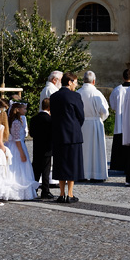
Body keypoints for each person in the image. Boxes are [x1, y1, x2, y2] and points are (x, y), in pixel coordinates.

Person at [50, 72, 86, 203]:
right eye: (75, 82)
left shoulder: (54, 96)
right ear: (69, 82)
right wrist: (75, 126)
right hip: (72, 135)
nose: (76, 85)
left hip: (58, 134)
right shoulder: (75, 96)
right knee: (72, 164)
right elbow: (81, 116)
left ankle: (61, 193)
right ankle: (70, 194)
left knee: (60, 164)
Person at [78, 70, 110, 181]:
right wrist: (100, 119)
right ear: (94, 81)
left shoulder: (78, 92)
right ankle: (97, 174)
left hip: (81, 124)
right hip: (95, 123)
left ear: (83, 80)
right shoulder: (97, 93)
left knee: (83, 150)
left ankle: (82, 174)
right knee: (96, 150)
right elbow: (104, 111)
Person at [6, 102, 38, 201]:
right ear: (18, 110)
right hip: (16, 148)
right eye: (24, 109)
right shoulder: (16, 122)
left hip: (17, 146)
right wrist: (22, 153)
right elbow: (17, 139)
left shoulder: (17, 120)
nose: (26, 110)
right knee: (18, 169)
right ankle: (16, 193)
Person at [108, 69, 130, 173]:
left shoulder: (117, 90)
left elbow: (113, 106)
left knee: (119, 143)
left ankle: (118, 164)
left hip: (120, 120)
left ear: (123, 78)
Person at [29, 98, 54, 200]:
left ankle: (33, 190)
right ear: (49, 108)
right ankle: (45, 191)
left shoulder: (34, 119)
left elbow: (32, 133)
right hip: (47, 148)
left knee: (36, 169)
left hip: (37, 147)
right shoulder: (50, 120)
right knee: (46, 171)